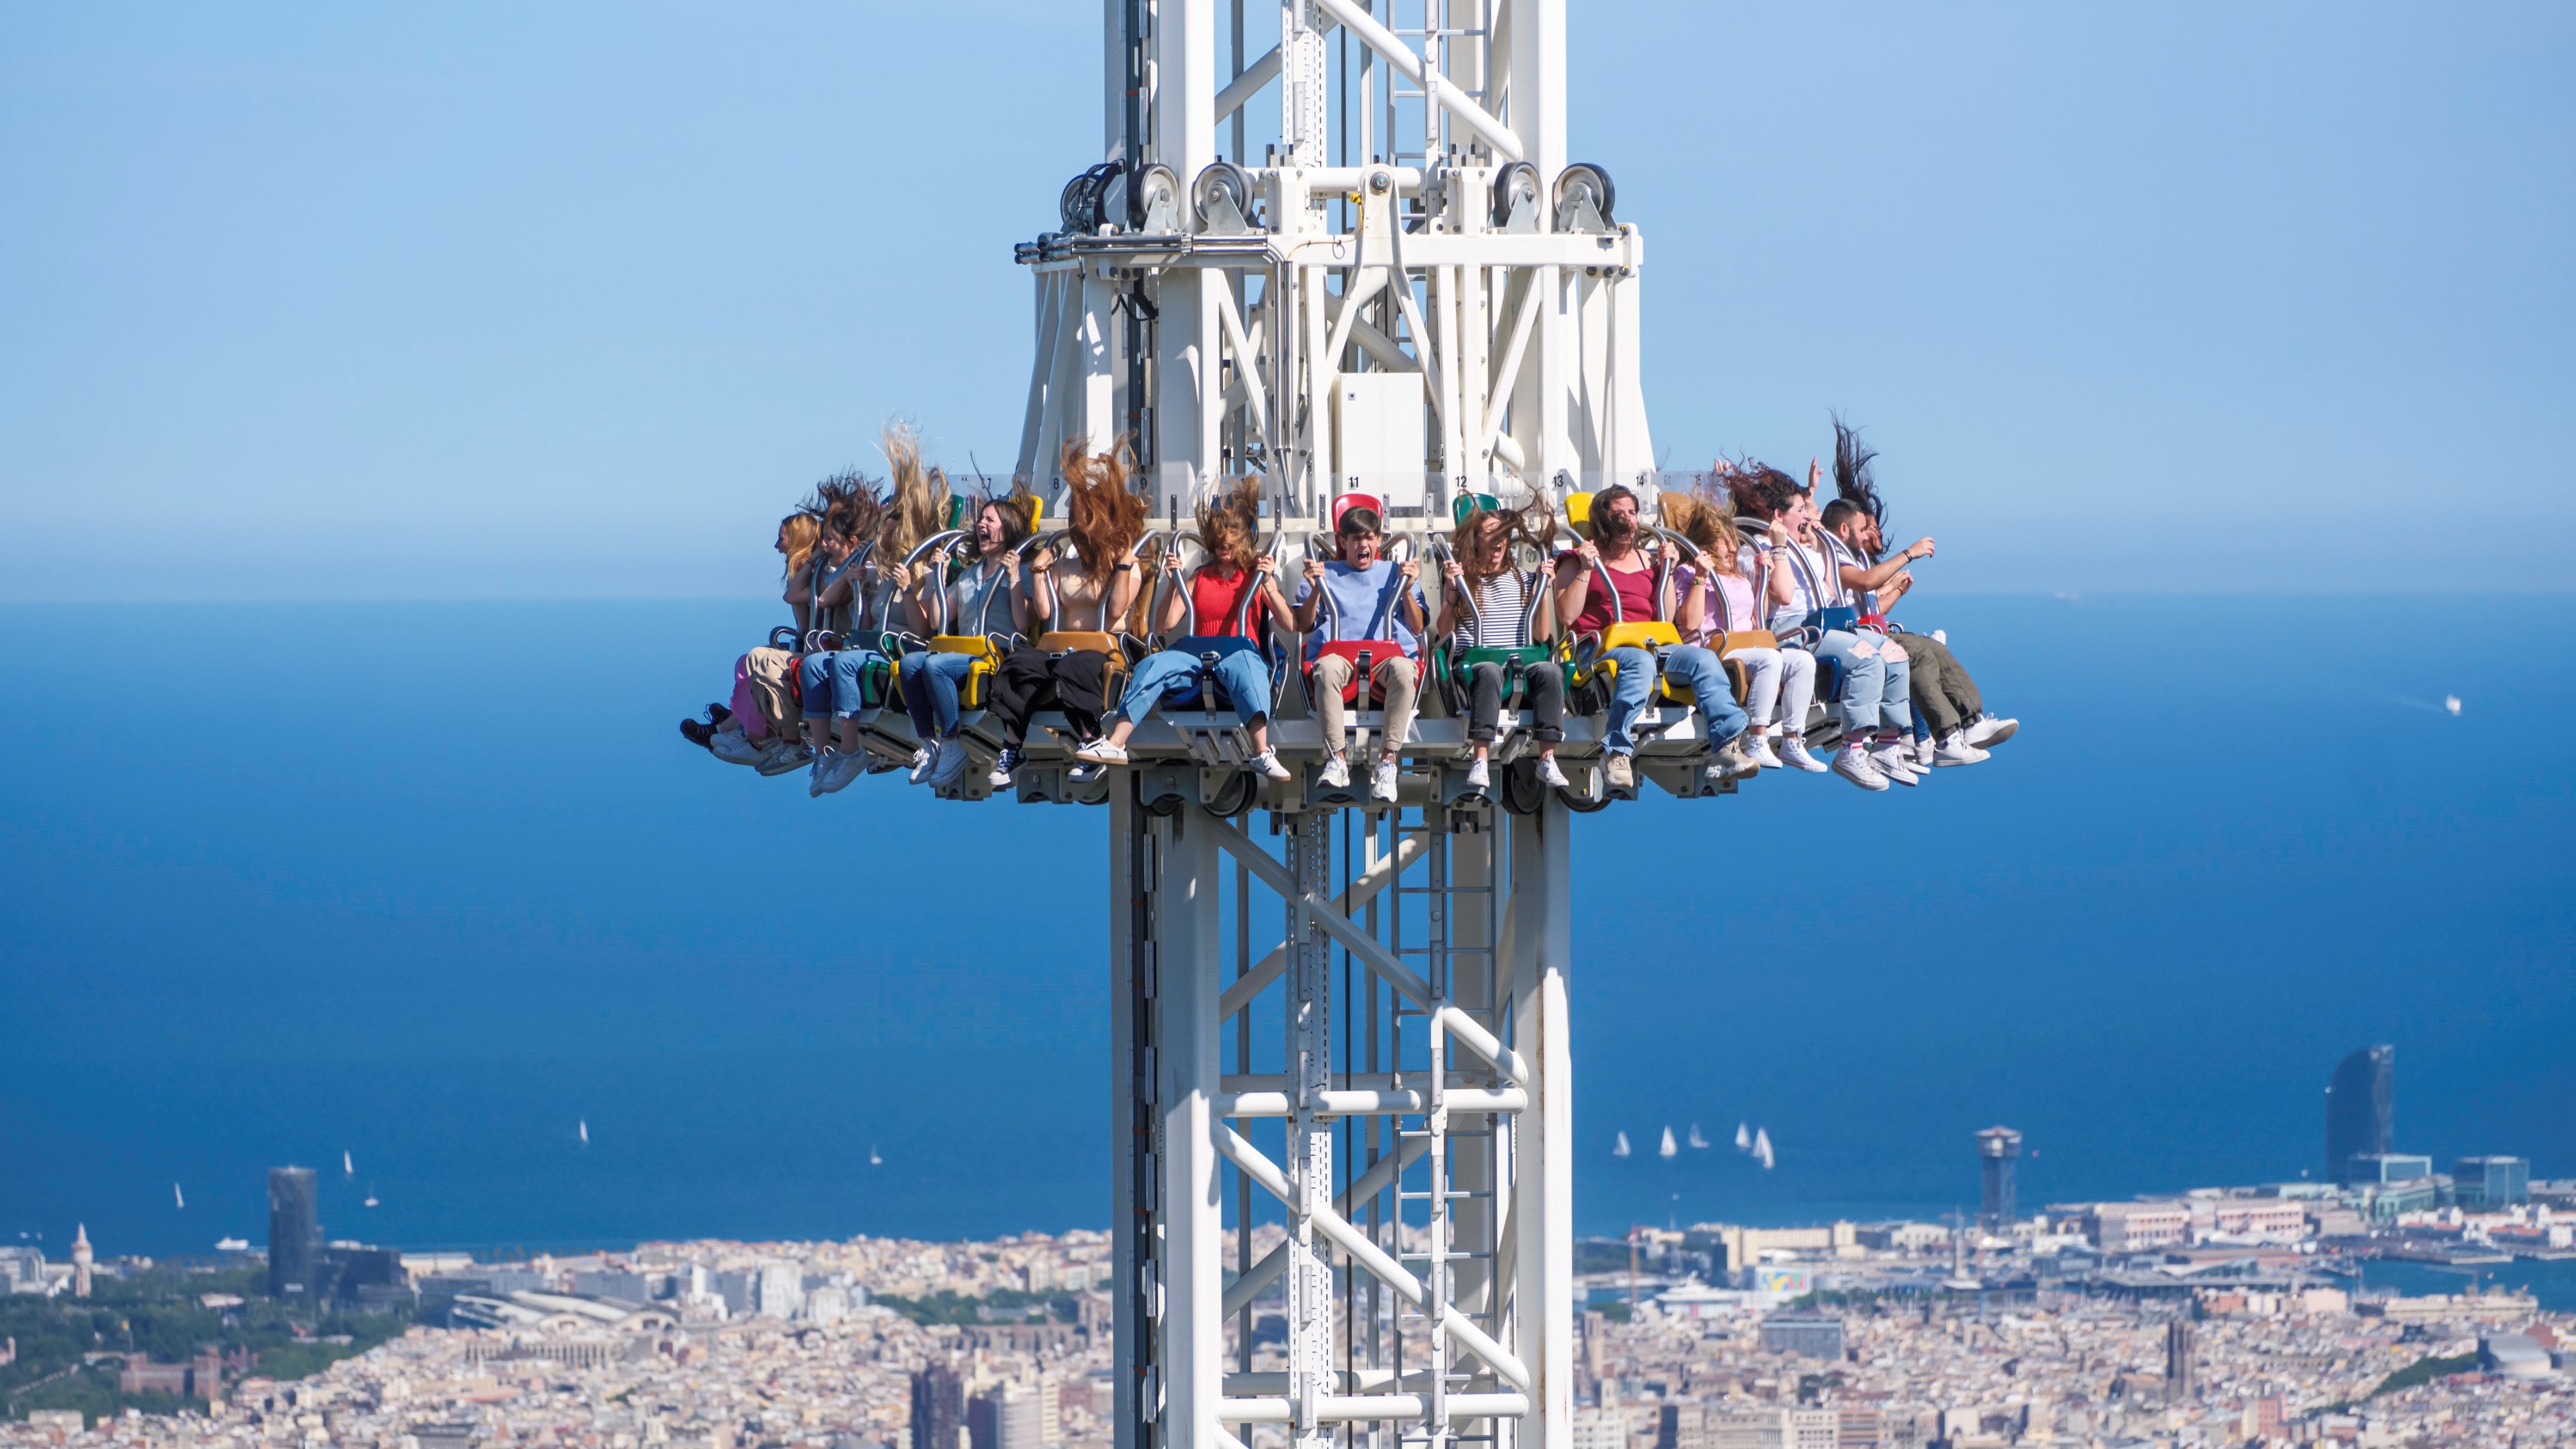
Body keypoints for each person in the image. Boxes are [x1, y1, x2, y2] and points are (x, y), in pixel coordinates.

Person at [1820, 419, 2018, 767]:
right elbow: (1865, 583)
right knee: (1920, 655)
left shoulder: (1850, 556)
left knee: (1933, 648)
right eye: (1864, 528)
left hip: (1869, 630)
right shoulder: (1831, 556)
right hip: (1855, 638)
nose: (1868, 534)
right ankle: (1945, 737)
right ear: (1844, 527)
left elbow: (1871, 600)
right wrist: (1908, 554)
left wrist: (1896, 590)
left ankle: (1970, 722)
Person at [1076, 478, 1295, 780]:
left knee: (1248, 668)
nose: (1224, 548)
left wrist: (1268, 582)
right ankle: (1116, 742)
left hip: (1239, 650)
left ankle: (1261, 752)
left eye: (1230, 539)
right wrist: (1173, 582)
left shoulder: (1256, 577)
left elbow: (1289, 623)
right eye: (1219, 542)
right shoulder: (1200, 577)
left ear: (1243, 537)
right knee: (1155, 664)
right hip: (1197, 652)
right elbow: (1164, 624)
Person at [1550, 485, 1755, 792]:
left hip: (1652, 643)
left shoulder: (1647, 560)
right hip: (1600, 648)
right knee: (1640, 662)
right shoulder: (1578, 559)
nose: (1627, 519)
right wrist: (1585, 568)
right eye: (1618, 513)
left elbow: (1667, 613)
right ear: (1602, 519)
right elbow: (1567, 615)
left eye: (1632, 512)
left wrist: (1666, 571)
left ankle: (1726, 743)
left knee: (1703, 659)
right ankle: (1617, 751)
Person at [1741, 460, 1918, 791]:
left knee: (1894, 654)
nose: (1807, 517)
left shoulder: (1807, 549)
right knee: (1865, 659)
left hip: (1825, 624)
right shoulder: (1759, 548)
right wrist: (1780, 548)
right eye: (1800, 510)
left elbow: (1831, 593)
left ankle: (1889, 743)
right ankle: (1851, 751)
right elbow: (1783, 593)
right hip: (1794, 631)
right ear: (1779, 517)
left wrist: (1819, 548)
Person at [988, 440, 1149, 778]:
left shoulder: (1126, 566)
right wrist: (1039, 572)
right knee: (1019, 663)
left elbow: (1116, 610)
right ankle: (1012, 745)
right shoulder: (1067, 566)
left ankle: (1090, 740)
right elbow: (1046, 613)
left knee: (1074, 665)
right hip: (1062, 647)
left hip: (1103, 648)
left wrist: (1120, 569)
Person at [1663, 491, 1827, 773]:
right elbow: (1689, 624)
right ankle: (1757, 738)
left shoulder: (1736, 576)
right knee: (1770, 660)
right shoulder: (1688, 574)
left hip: (1746, 645)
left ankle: (1792, 739)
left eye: (1731, 541)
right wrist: (1701, 578)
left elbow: (1756, 617)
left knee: (1803, 661)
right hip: (1715, 650)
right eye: (1722, 542)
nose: (1730, 549)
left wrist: (1762, 578)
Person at [899, 484, 1034, 791]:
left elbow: (1023, 623)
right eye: (981, 520)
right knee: (910, 664)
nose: (981, 525)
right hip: (962, 655)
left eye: (990, 520)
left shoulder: (1021, 572)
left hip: (994, 656)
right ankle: (930, 745)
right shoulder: (970, 575)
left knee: (935, 667)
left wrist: (1013, 578)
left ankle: (952, 742)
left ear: (1008, 530)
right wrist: (939, 577)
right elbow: (937, 619)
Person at [1291, 504, 1428, 804]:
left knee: (1405, 671)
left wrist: (1407, 587)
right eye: (1355, 538)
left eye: (1369, 537)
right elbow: (1301, 625)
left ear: (1379, 541)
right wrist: (1315, 589)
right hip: (1339, 657)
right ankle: (1337, 757)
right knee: (1325, 669)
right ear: (1342, 542)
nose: (1362, 545)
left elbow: (1417, 627)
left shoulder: (1396, 573)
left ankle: (1389, 761)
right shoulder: (1325, 573)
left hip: (1386, 657)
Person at [1433, 504, 1570, 792]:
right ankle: (1480, 757)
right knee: (1491, 671)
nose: (1497, 541)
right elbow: (1444, 631)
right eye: (1489, 533)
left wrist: (1541, 592)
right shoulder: (1464, 579)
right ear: (1477, 540)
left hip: (1519, 659)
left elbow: (1541, 633)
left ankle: (1547, 757)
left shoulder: (1523, 578)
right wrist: (1453, 594)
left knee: (1550, 672)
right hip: (1479, 663)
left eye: (1502, 534)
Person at [795, 475, 901, 796]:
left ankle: (851, 751)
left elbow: (922, 626)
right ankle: (824, 753)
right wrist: (862, 593)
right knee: (813, 664)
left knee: (842, 663)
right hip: (871, 641)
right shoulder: (873, 572)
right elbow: (866, 625)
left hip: (898, 645)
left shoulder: (909, 568)